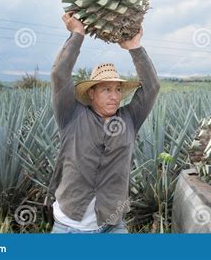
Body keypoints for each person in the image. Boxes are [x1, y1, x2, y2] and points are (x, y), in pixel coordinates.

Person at [47, 12, 160, 233]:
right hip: (69, 226)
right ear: (91, 93)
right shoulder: (71, 115)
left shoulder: (129, 118)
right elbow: (60, 74)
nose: (114, 96)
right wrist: (77, 33)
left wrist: (135, 47)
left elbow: (152, 87)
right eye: (106, 89)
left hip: (112, 224)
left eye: (118, 90)